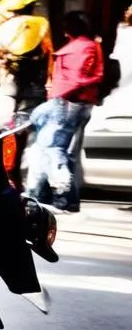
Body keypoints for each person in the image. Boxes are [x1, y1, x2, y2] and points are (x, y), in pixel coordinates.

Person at [28, 11, 104, 214]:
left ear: (68, 29)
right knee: (61, 151)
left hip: (66, 102)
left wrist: (54, 99)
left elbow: (75, 79)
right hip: (77, 102)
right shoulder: (90, 46)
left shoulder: (79, 48)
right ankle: (61, 199)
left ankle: (61, 198)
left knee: (53, 149)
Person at [0, 0, 53, 189]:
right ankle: (19, 178)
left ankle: (10, 175)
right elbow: (47, 53)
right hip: (29, 88)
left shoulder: (3, 27)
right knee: (23, 136)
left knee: (9, 131)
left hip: (12, 86)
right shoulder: (40, 25)